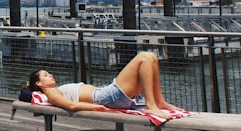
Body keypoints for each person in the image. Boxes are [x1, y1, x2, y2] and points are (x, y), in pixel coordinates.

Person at [27, 51, 180, 119]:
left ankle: (158, 101)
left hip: (108, 95)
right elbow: (71, 106)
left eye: (49, 73)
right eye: (46, 75)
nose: (50, 75)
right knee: (144, 57)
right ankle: (152, 105)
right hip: (106, 98)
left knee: (151, 57)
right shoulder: (51, 93)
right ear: (39, 83)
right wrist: (98, 107)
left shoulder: (56, 90)